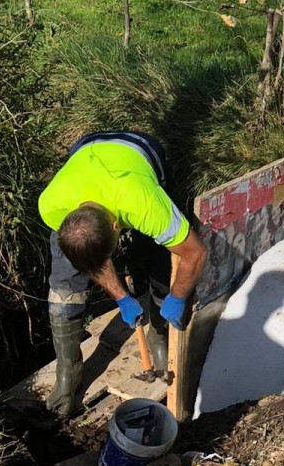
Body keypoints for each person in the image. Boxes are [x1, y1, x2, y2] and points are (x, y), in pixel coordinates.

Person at [38, 131, 207, 417]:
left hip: (139, 151)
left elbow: (195, 253)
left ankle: (158, 334)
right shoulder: (51, 205)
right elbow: (90, 257)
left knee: (159, 258)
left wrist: (177, 297)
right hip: (84, 153)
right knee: (64, 281)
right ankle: (68, 372)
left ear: (117, 227)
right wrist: (121, 297)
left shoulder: (143, 203)